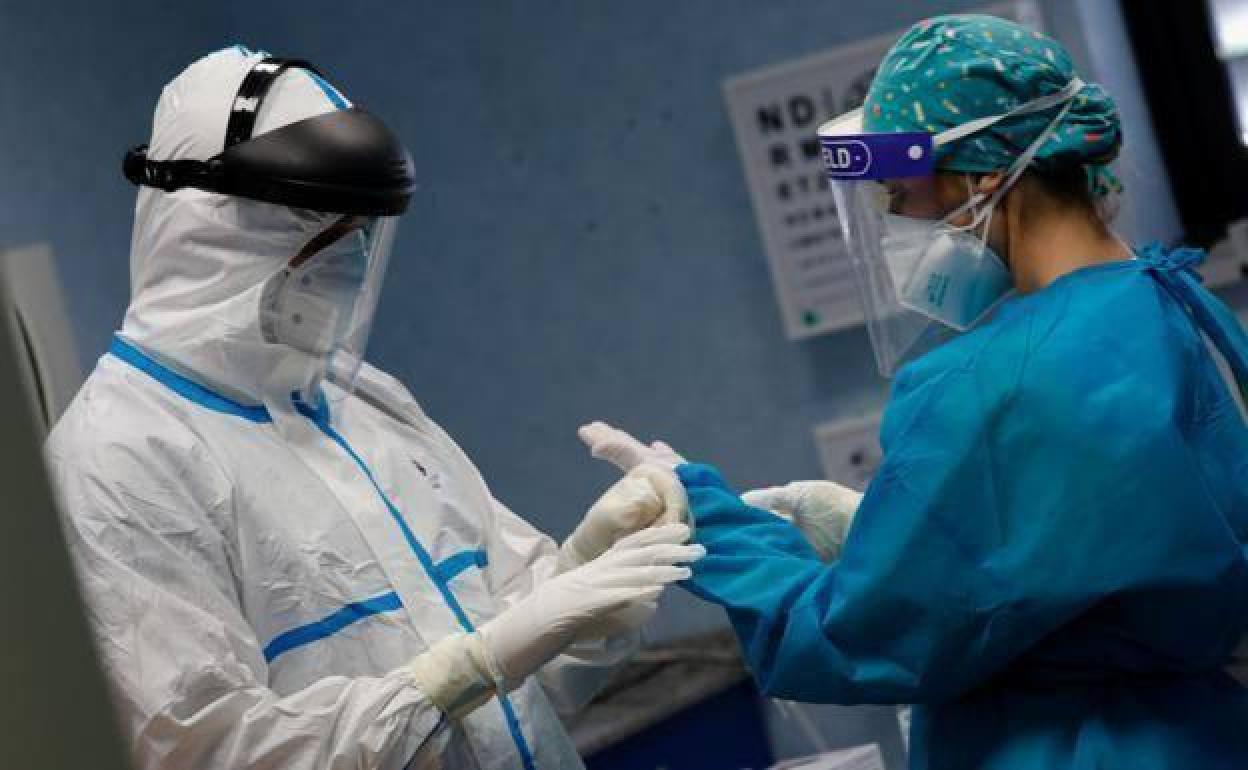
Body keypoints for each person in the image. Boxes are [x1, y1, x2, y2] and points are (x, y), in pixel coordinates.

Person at [579, 15, 1248, 770]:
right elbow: (1097, 544)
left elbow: (849, 639)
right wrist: (895, 533)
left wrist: (709, 519)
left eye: (901, 191)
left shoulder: (990, 383)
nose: (897, 220)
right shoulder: (1174, 302)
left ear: (986, 174)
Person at [45, 46, 703, 770]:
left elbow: (525, 674)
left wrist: (587, 574)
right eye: (319, 226)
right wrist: (462, 673)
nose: (349, 257)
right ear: (209, 229)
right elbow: (205, 751)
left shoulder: (360, 401)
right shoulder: (118, 459)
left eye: (361, 230)